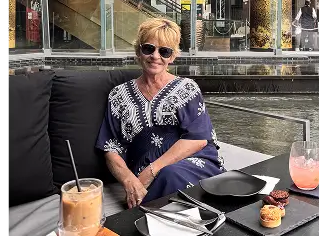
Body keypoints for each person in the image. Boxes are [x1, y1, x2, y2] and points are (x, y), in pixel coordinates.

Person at [96, 18, 224, 207]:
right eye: (149, 48)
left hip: (193, 163)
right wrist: (130, 181)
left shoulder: (187, 89)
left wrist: (151, 171)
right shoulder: (118, 95)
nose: (155, 56)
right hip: (142, 171)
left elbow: (198, 139)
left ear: (172, 57)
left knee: (170, 175)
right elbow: (110, 147)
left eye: (164, 51)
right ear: (139, 51)